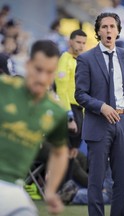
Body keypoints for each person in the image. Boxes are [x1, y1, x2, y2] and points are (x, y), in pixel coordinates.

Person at [75, 12, 124, 216]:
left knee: (122, 181)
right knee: (95, 182)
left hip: (123, 123)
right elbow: (80, 94)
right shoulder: (86, 58)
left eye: (112, 27)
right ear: (98, 31)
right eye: (104, 27)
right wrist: (102, 107)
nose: (108, 30)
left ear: (118, 31)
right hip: (98, 124)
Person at [0, 40, 69, 215]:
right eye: (38, 70)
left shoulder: (56, 112)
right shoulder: (4, 88)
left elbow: (60, 153)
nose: (42, 78)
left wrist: (51, 191)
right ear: (28, 65)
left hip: (13, 188)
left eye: (49, 72)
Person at [55, 29, 87, 157]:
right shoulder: (65, 59)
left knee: (73, 154)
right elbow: (61, 89)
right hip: (70, 109)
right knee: (64, 154)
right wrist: (69, 117)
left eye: (83, 43)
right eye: (78, 42)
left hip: (80, 110)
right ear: (70, 42)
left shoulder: (81, 60)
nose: (81, 45)